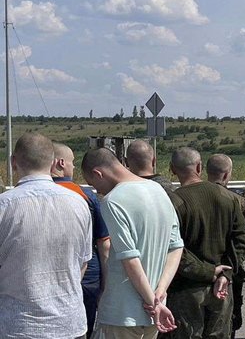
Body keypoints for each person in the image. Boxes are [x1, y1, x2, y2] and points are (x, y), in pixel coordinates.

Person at [82, 147, 183, 337]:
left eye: (93, 184)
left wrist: (151, 301)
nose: (98, 190)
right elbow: (176, 246)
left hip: (122, 311)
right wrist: (159, 293)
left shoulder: (112, 201)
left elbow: (129, 259)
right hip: (156, 308)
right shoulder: (158, 189)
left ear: (98, 173)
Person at [0, 133, 93, 339]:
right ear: (52, 164)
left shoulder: (4, 206)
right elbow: (83, 262)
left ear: (13, 163)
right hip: (70, 323)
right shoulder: (79, 203)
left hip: (18, 325)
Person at [165, 148, 245, 339]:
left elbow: (173, 249)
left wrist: (208, 272)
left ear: (172, 169)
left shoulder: (173, 202)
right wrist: (225, 273)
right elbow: (242, 240)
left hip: (186, 288)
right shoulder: (228, 197)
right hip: (222, 287)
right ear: (199, 167)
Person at [51, 142, 111, 338]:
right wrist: (105, 284)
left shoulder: (29, 194)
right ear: (61, 163)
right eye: (72, 162)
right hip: (86, 277)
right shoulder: (86, 196)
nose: (74, 166)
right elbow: (104, 243)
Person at [206, 153, 245, 339]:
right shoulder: (237, 201)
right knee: (227, 322)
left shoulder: (194, 196)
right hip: (230, 271)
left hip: (200, 271)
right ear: (227, 174)